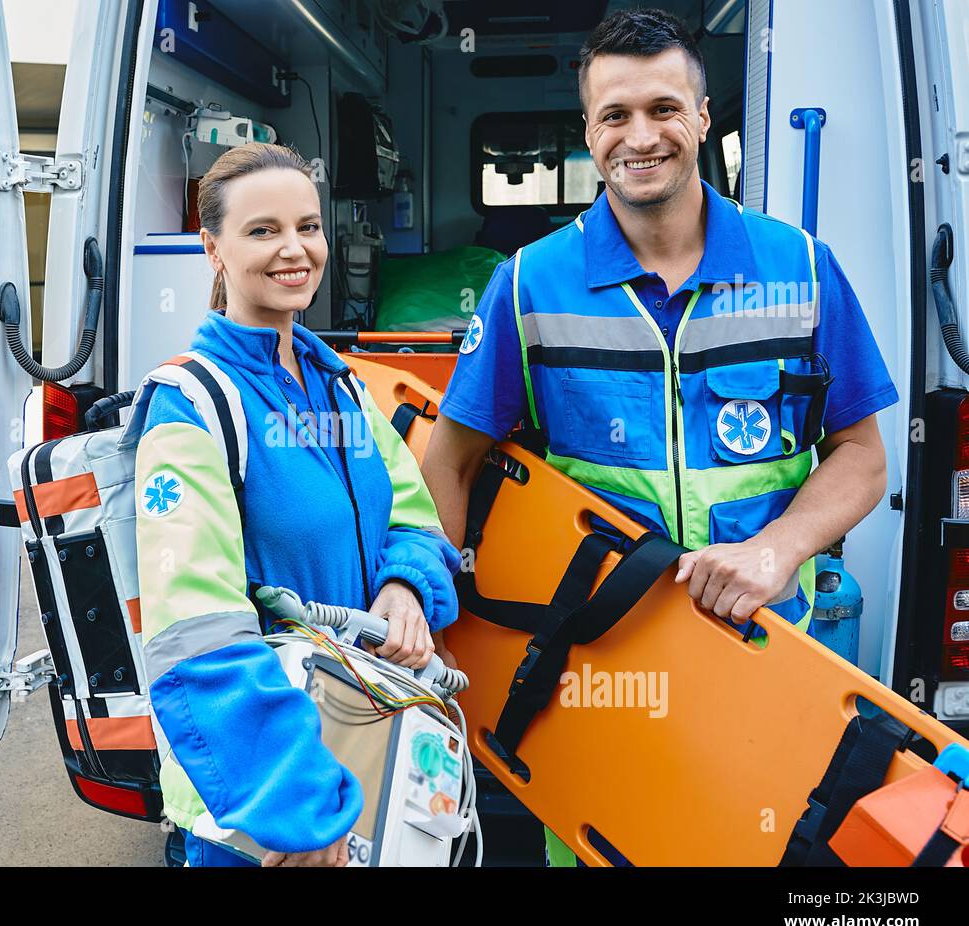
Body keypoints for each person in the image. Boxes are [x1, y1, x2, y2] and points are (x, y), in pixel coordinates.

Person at [420, 8, 896, 866]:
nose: (641, 136)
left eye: (664, 109)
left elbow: (862, 455)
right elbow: (448, 462)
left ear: (704, 118)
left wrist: (779, 548)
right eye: (615, 115)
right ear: (589, 132)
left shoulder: (804, 268)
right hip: (594, 667)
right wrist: (431, 624)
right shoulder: (527, 284)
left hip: (765, 654)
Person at [133, 142, 461, 867]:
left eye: (308, 227)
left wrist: (406, 586)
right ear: (211, 248)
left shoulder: (337, 384)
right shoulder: (193, 407)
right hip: (260, 804)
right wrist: (297, 814)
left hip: (356, 736)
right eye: (263, 231)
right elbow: (197, 636)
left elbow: (413, 513)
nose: (295, 250)